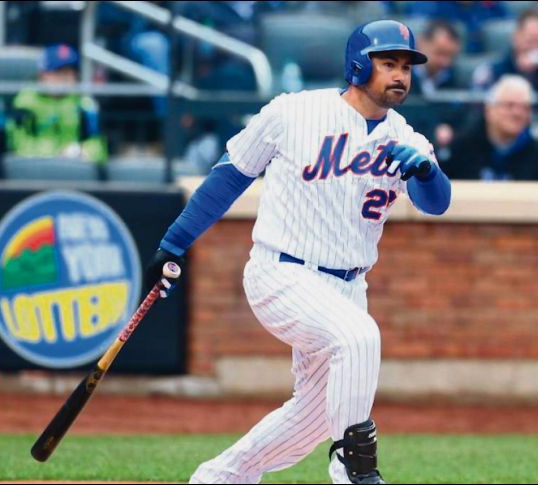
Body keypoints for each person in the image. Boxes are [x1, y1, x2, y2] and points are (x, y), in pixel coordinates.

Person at [144, 20, 451, 484]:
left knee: (312, 417)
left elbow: (437, 204)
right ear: (358, 65)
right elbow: (230, 177)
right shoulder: (295, 112)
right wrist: (174, 243)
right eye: (389, 63)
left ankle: (220, 477)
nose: (401, 75)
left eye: (406, 66)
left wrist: (427, 172)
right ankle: (355, 464)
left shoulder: (408, 139)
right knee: (359, 337)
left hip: (348, 286)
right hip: (282, 273)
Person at [5, 44, 107, 164]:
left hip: (74, 171)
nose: (64, 79)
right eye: (57, 73)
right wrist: (58, 152)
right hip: (35, 173)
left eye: (69, 73)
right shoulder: (25, 103)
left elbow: (98, 146)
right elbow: (18, 146)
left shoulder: (84, 105)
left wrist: (84, 152)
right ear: (42, 75)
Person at [442, 74, 538, 180]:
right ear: (489, 110)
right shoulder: (462, 148)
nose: (517, 113)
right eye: (509, 105)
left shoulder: (535, 154)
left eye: (525, 107)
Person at [473, 7, 538, 91]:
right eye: (530, 41)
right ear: (515, 36)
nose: (535, 48)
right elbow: (477, 102)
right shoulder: (489, 72)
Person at [411, 19, 462, 95]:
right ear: (421, 43)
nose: (445, 63)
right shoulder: (402, 77)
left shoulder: (456, 80)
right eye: (440, 53)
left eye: (451, 56)